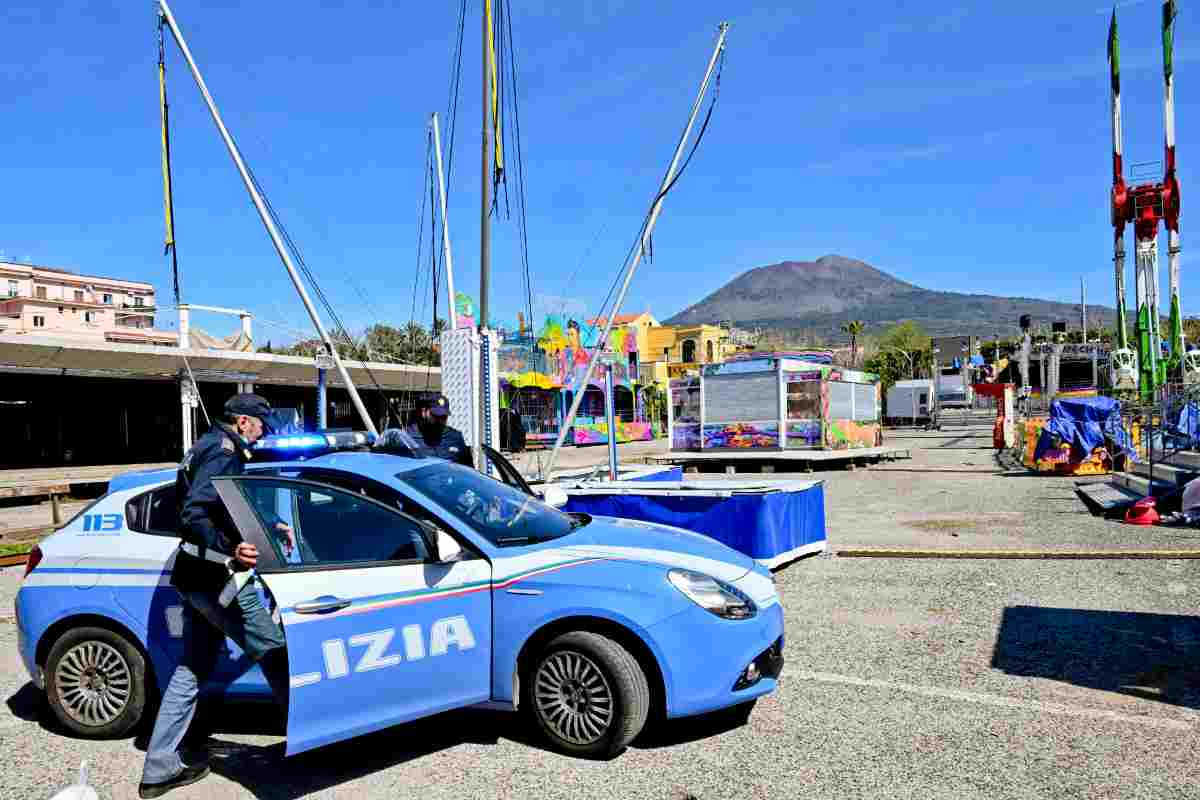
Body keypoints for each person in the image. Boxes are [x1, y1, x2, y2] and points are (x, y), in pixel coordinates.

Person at [139, 394, 293, 799]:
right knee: (277, 654)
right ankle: (307, 746)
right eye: (260, 425)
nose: (263, 433)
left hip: (194, 578)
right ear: (243, 421)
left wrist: (273, 523)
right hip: (220, 580)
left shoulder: (207, 444)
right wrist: (231, 549)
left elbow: (229, 505)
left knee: (191, 669)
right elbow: (194, 514)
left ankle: (159, 766)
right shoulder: (224, 454)